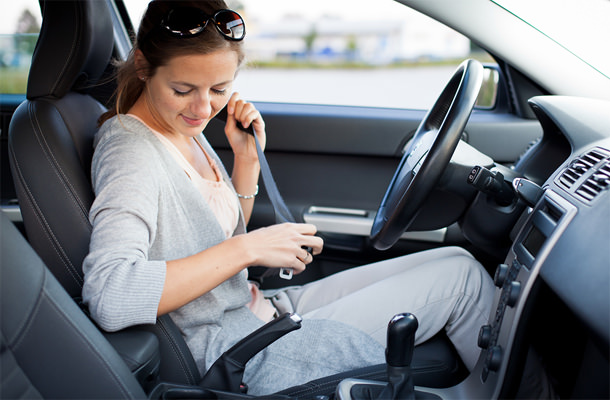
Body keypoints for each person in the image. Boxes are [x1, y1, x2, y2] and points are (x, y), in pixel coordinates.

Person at [83, 0, 495, 395]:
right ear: (142, 66)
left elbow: (210, 232)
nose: (203, 107)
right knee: (466, 285)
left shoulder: (179, 129)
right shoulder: (131, 151)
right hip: (240, 344)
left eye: (220, 88)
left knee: (458, 264)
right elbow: (111, 294)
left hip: (257, 309)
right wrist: (248, 249)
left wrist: (246, 162)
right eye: (183, 88)